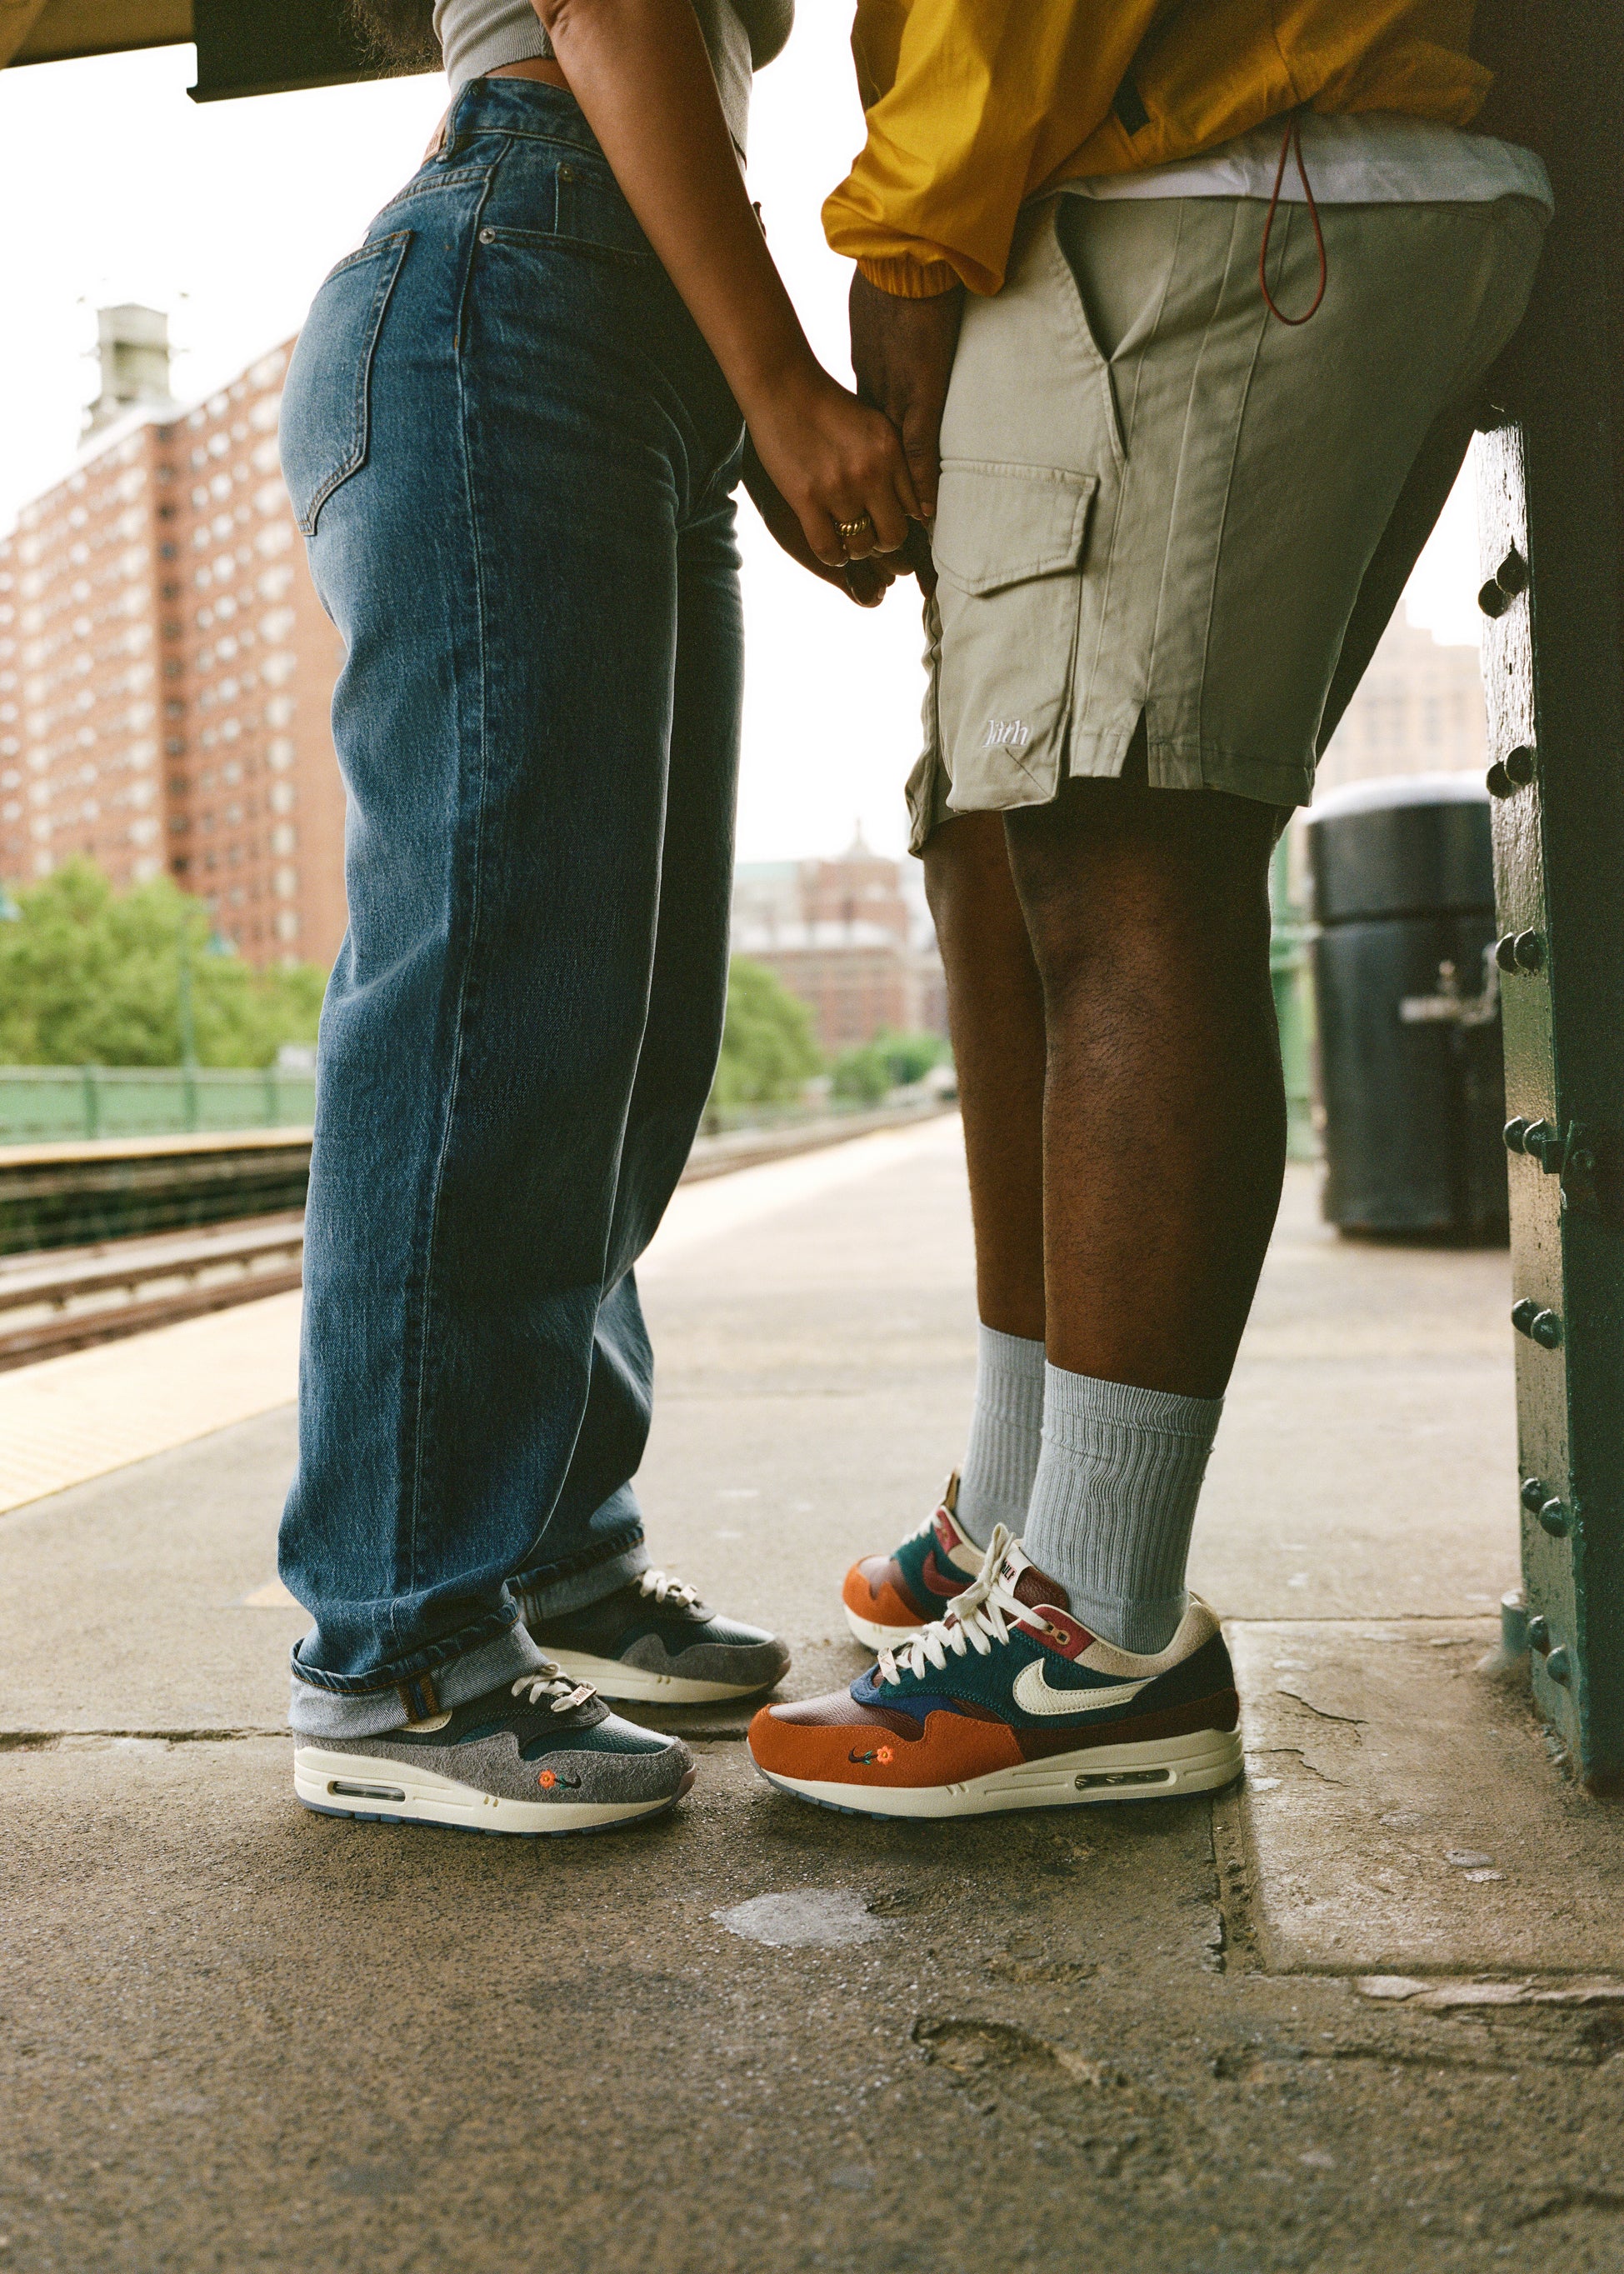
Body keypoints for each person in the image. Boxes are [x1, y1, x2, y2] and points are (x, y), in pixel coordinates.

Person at [748, 0, 1551, 1819]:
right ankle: (1029, 1519)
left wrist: (908, 233)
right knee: (1024, 840)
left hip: (1205, 168)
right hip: (1263, 158)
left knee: (1127, 859)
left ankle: (1095, 1639)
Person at [277, 0, 920, 1836]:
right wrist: (791, 396)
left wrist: (744, 399)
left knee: (617, 1023)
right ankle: (396, 1653)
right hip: (518, 289)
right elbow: (616, 13)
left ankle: (546, 1552)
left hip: (615, 336)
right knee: (489, 994)